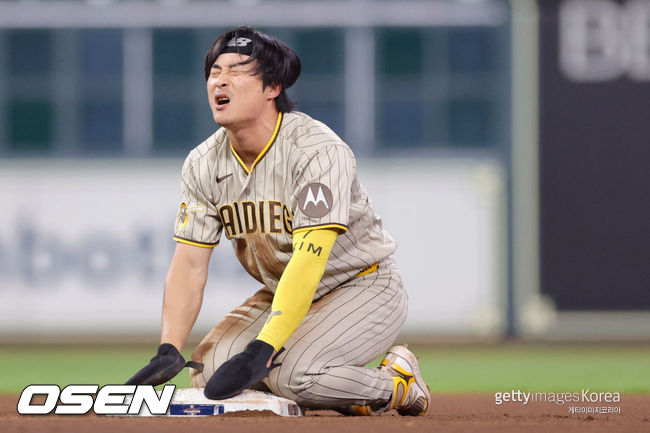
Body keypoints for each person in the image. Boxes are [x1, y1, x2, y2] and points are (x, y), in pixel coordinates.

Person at [126, 25, 430, 416]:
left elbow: (310, 260)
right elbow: (189, 263)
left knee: (294, 376)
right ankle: (340, 390)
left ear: (272, 88)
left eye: (237, 70)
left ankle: (396, 383)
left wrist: (264, 347)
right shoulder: (202, 164)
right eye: (215, 71)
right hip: (284, 290)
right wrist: (169, 346)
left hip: (362, 284)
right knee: (208, 372)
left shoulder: (317, 151)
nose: (220, 80)